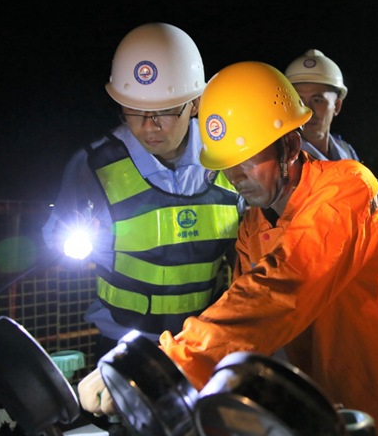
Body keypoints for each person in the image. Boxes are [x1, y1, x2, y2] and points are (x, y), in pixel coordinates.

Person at [79, 61, 378, 436]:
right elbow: (243, 318)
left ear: (292, 145)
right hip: (324, 408)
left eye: (248, 158)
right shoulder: (255, 222)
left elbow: (279, 289)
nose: (236, 176)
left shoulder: (346, 190)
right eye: (228, 164)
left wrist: (166, 365)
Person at [42, 23, 244, 356]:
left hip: (206, 344)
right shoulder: (91, 166)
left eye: (165, 110)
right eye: (134, 110)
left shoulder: (228, 157)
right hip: (122, 345)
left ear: (196, 103)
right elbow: (54, 238)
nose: (149, 125)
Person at [285, 49, 360, 161]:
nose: (307, 111)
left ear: (337, 106)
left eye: (317, 100)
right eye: (299, 100)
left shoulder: (346, 151)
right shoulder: (283, 156)